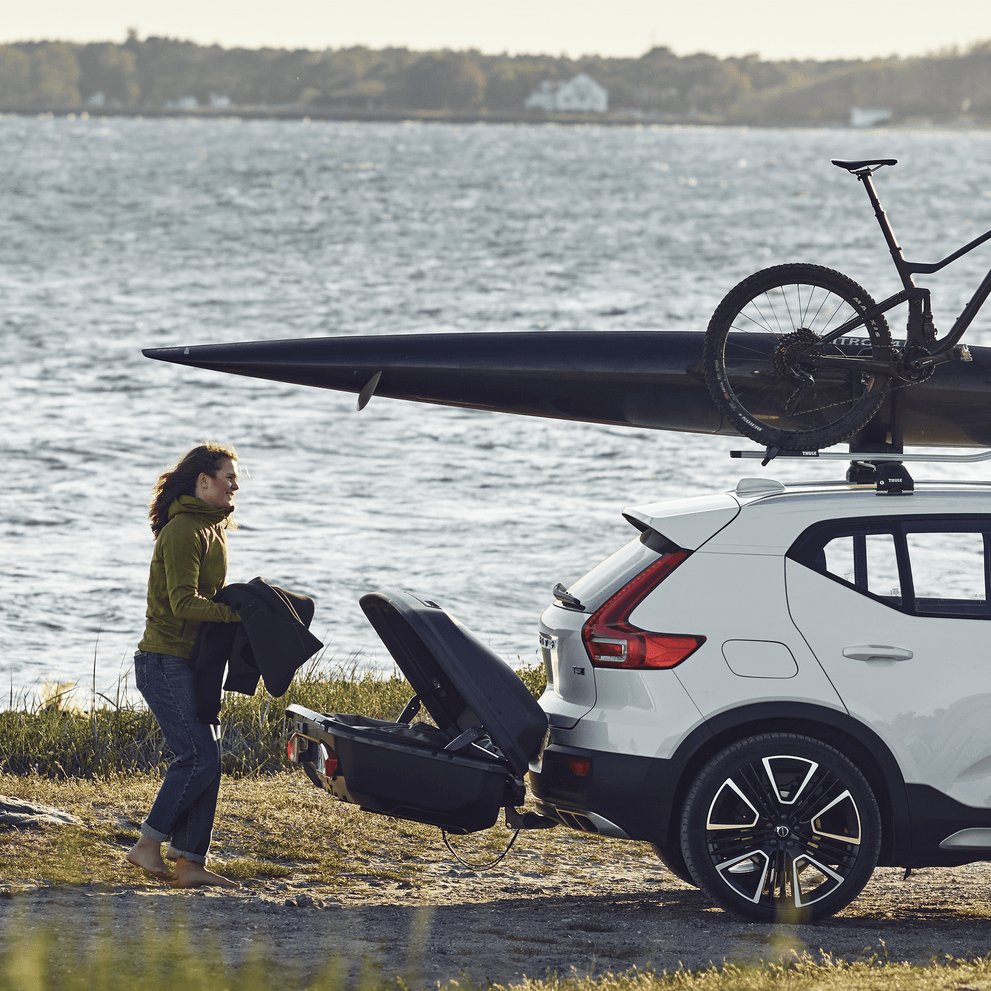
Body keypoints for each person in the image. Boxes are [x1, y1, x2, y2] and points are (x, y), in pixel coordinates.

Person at [125, 442, 243, 888]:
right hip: (164, 660)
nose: (235, 485)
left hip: (193, 663)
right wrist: (236, 615)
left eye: (236, 478)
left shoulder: (214, 528)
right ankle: (147, 844)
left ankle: (190, 862)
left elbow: (210, 595)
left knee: (208, 757)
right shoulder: (182, 531)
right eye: (228, 477)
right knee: (195, 756)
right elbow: (182, 603)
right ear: (203, 481)